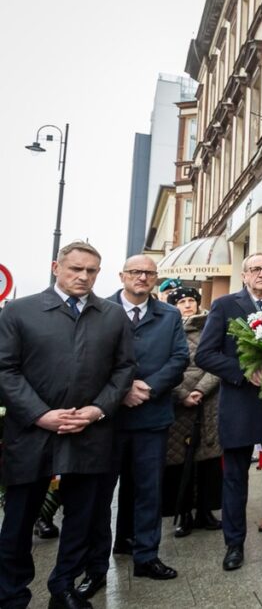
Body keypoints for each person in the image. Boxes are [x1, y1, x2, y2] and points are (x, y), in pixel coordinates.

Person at [0, 241, 135, 609]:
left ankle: (63, 587)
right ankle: (11, 594)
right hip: (31, 433)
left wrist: (97, 410)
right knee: (19, 520)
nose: (83, 276)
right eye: (76, 269)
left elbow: (124, 368)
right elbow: (5, 370)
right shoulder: (20, 311)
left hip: (89, 433)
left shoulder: (111, 315)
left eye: (91, 270)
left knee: (82, 517)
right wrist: (40, 414)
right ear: (56, 266)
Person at [77, 256, 190, 599]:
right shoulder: (98, 309)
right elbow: (83, 358)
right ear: (122, 275)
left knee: (148, 491)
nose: (142, 277)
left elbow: (179, 359)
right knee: (98, 495)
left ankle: (146, 556)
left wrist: (150, 388)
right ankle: (95, 566)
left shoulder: (169, 315)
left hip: (151, 417)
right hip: (105, 420)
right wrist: (121, 391)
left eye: (149, 273)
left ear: (156, 279)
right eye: (135, 272)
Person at [195, 253, 262, 572]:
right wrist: (244, 371)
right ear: (244, 275)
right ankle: (234, 544)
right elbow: (205, 354)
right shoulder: (225, 306)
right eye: (255, 269)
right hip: (239, 404)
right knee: (235, 478)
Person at [163, 287, 223, 538]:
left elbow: (220, 359)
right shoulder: (166, 328)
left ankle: (206, 511)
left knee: (207, 461)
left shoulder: (211, 325)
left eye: (191, 301)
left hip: (207, 401)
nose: (188, 305)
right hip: (178, 404)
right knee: (179, 461)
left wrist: (200, 390)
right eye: (182, 301)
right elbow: (161, 364)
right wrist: (182, 394)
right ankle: (183, 513)